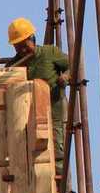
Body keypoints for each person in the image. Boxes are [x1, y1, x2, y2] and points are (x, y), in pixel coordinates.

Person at [7, 17, 70, 168]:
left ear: (32, 38)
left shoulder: (49, 53)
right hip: (26, 119)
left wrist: (66, 76)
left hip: (54, 113)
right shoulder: (13, 66)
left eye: (24, 45)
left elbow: (72, 64)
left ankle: (59, 187)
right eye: (18, 47)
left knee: (57, 155)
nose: (22, 50)